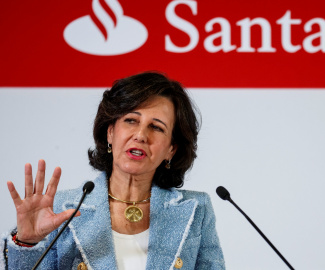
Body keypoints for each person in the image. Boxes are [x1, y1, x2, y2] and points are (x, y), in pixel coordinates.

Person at [1, 72, 225, 270]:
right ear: (110, 133)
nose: (140, 135)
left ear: (171, 150)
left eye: (156, 127)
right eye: (130, 120)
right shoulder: (60, 209)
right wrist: (27, 244)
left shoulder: (197, 210)